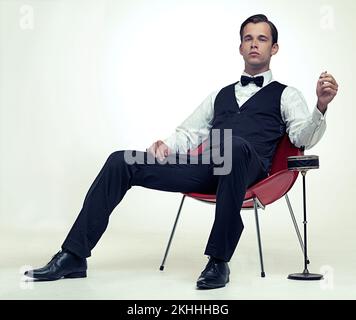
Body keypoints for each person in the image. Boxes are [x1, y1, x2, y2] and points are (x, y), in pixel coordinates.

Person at [25, 14, 338, 289]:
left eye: (262, 38)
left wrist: (320, 107)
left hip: (251, 170)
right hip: (207, 168)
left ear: (274, 48)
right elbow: (190, 132)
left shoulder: (287, 95)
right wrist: (166, 146)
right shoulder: (219, 95)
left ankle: (218, 261)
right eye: (248, 38)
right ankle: (74, 255)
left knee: (234, 145)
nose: (254, 44)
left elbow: (302, 137)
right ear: (240, 47)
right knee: (121, 160)